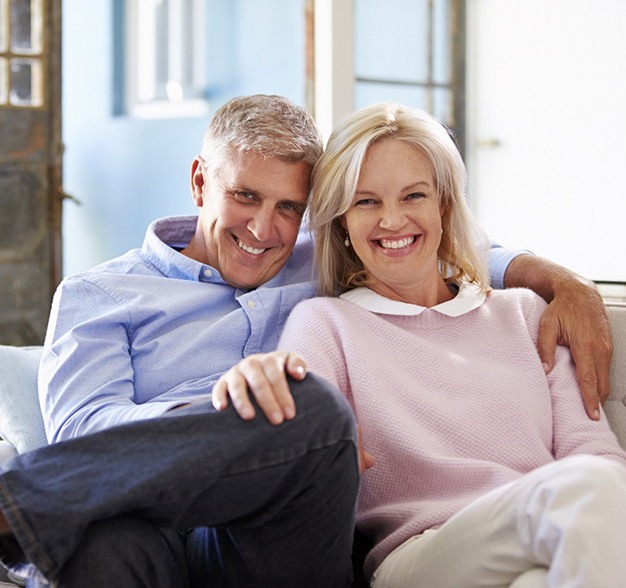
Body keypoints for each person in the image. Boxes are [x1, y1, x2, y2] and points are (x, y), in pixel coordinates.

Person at [0, 94, 614, 586]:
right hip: (150, 521)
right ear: (199, 181)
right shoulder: (99, 295)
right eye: (244, 195)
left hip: (269, 544)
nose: (264, 228)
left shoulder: (316, 253)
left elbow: (437, 240)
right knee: (101, 541)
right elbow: (83, 430)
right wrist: (224, 410)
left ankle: (18, 505)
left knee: (306, 406)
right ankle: (23, 512)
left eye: (288, 207)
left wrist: (566, 284)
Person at [265, 102, 626, 586]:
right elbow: (305, 454)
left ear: (444, 205)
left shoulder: (524, 314)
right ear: (342, 222)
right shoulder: (325, 325)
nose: (392, 220)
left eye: (413, 195)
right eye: (366, 201)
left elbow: (598, 453)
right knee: (588, 489)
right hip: (422, 555)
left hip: (550, 531)